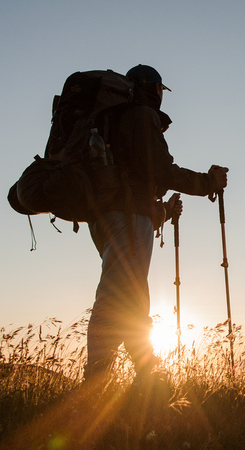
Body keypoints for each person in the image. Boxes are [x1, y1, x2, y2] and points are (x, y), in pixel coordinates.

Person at [84, 64, 228, 384]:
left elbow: (132, 181)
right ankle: (94, 385)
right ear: (150, 88)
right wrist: (207, 183)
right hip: (126, 217)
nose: (161, 98)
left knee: (132, 297)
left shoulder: (111, 120)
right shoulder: (140, 116)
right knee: (115, 295)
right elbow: (160, 171)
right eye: (160, 91)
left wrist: (162, 212)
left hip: (106, 218)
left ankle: (149, 378)